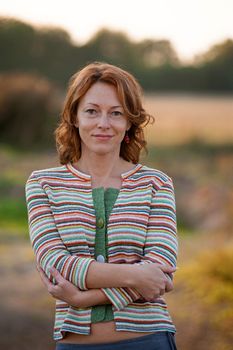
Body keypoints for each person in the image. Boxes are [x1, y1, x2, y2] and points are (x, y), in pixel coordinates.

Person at [25, 62, 178, 350]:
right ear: (74, 117)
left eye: (116, 113)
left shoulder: (156, 184)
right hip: (75, 344)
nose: (103, 123)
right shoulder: (43, 184)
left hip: (149, 340)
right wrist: (136, 275)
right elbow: (56, 264)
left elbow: (161, 273)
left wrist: (84, 298)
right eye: (92, 111)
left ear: (130, 121)